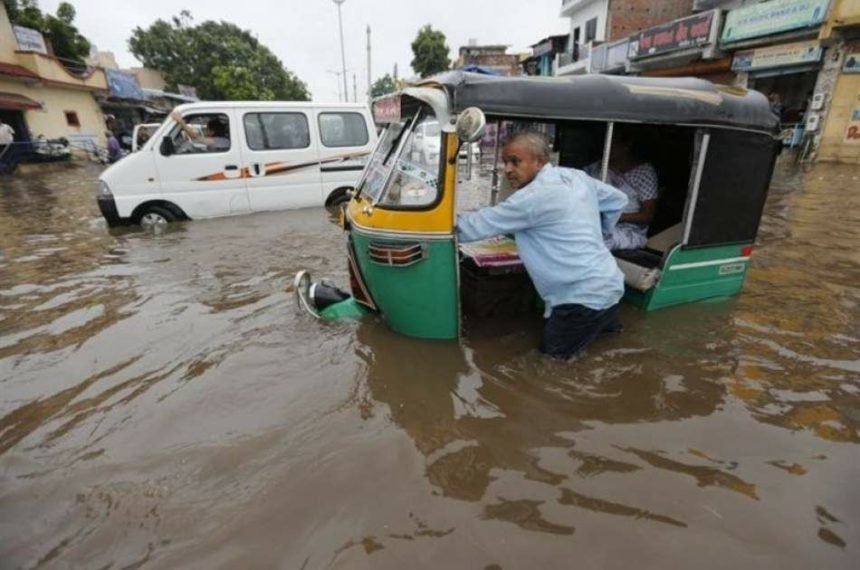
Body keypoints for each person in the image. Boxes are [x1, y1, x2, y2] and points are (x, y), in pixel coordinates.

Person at [456, 132, 629, 360]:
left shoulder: (531, 199)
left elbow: (471, 228)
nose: (507, 169)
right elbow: (618, 200)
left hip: (578, 300)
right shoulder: (574, 177)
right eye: (505, 162)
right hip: (610, 285)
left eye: (515, 161)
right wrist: (601, 236)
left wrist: (435, 221)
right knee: (605, 352)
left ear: (538, 161)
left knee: (548, 370)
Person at [585, 129, 658, 250]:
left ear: (626, 145)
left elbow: (647, 215)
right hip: (594, 222)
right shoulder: (597, 169)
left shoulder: (644, 172)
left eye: (612, 144)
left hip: (627, 230)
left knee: (594, 242)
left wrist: (616, 217)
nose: (607, 148)